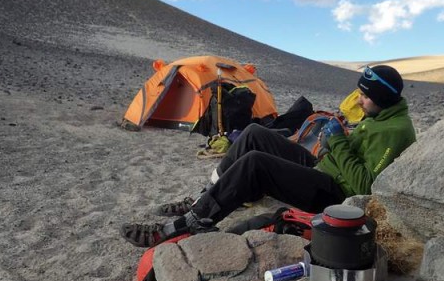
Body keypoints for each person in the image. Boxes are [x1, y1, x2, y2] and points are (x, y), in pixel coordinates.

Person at [121, 65, 416, 247]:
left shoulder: (395, 130)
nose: (359, 101)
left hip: (336, 194)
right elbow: (353, 153)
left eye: (365, 96)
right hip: (325, 168)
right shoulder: (379, 117)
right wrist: (334, 139)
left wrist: (338, 143)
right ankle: (204, 197)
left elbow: (363, 186)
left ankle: (192, 222)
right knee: (252, 133)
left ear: (384, 99)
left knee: (256, 165)